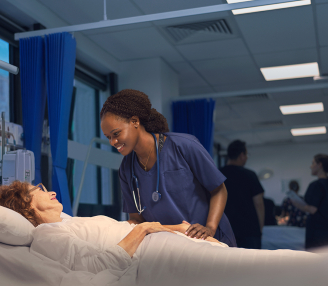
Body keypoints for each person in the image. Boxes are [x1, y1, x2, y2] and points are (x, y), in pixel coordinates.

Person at [0, 181, 312, 276]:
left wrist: (175, 227)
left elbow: (122, 228)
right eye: (39, 190)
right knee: (257, 269)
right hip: (151, 254)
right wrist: (147, 230)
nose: (51, 191)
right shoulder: (47, 235)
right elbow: (100, 265)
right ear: (27, 206)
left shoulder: (68, 223)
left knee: (256, 266)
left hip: (159, 243)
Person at [99, 89, 236, 247]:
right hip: (170, 248)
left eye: (116, 134)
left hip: (210, 240)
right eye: (108, 137)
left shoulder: (183, 146)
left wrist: (210, 227)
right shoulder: (126, 169)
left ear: (135, 121)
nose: (112, 142)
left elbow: (218, 189)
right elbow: (137, 219)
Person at [219, 140, 264, 249]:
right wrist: (260, 229)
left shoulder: (217, 174)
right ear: (242, 155)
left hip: (224, 230)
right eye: (246, 154)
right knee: (252, 264)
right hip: (249, 232)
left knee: (226, 264)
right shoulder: (250, 175)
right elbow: (258, 203)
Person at [291, 154, 328, 250]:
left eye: (313, 163)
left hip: (319, 236)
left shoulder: (316, 186)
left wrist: (297, 203)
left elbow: (312, 209)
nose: (310, 166)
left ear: (320, 165)